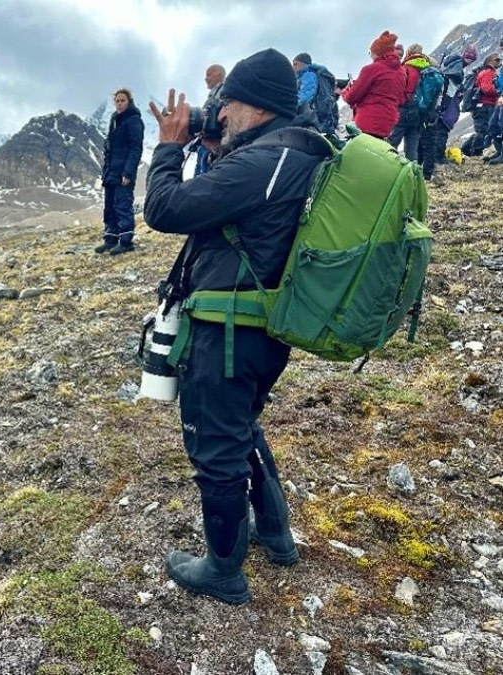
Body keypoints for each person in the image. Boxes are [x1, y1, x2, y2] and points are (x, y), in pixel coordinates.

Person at [144, 48, 324, 605]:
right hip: (260, 328)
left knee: (216, 446)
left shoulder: (261, 164)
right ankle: (276, 536)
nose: (220, 115)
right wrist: (221, 148)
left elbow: (166, 210)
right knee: (242, 427)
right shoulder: (294, 153)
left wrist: (170, 149)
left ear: (258, 106)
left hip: (228, 331)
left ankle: (223, 569)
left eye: (230, 105)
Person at [97, 88, 144, 255]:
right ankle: (110, 238)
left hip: (123, 171)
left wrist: (128, 172)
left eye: (122, 100)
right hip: (111, 171)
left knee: (122, 204)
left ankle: (126, 241)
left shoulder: (133, 120)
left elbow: (135, 148)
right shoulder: (115, 120)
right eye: (117, 100)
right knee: (109, 205)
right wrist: (106, 172)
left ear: (129, 102)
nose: (119, 103)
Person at [342, 30, 407, 139]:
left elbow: (352, 97)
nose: (370, 55)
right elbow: (400, 98)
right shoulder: (401, 72)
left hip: (367, 121)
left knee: (360, 154)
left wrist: (345, 91)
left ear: (377, 52)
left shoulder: (371, 69)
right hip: (387, 122)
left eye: (371, 52)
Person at [434, 44, 478, 163]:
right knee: (442, 129)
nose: (470, 62)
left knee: (437, 129)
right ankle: (438, 157)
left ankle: (434, 155)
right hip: (446, 103)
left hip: (442, 101)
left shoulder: (453, 64)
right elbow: (452, 83)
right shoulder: (457, 68)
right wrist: (461, 89)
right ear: (466, 56)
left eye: (472, 60)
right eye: (470, 58)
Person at [387, 44, 425, 161]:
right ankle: (412, 174)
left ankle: (386, 168)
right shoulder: (425, 69)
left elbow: (400, 92)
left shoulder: (405, 69)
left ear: (408, 53)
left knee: (391, 143)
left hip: (403, 112)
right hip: (418, 114)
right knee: (411, 148)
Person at [462, 53, 502, 157]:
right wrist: (499, 90)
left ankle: (466, 149)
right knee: (483, 130)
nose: (499, 61)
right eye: (497, 60)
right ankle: (475, 151)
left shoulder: (489, 73)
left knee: (484, 129)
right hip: (484, 106)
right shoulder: (488, 73)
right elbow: (486, 89)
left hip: (486, 105)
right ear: (490, 62)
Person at [193, 64, 226, 176]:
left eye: (209, 75)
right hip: (205, 143)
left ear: (219, 74)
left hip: (212, 145)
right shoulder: (213, 94)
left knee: (203, 178)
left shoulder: (224, 92)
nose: (206, 78)